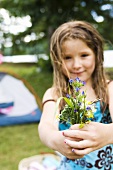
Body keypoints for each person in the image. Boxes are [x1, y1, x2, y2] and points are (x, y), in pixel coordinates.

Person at [38, 20, 113, 170]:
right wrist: (54, 139)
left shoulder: (108, 88)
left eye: (84, 55)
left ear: (97, 55)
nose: (76, 65)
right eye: (67, 57)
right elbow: (45, 127)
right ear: (57, 60)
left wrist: (107, 134)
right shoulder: (56, 93)